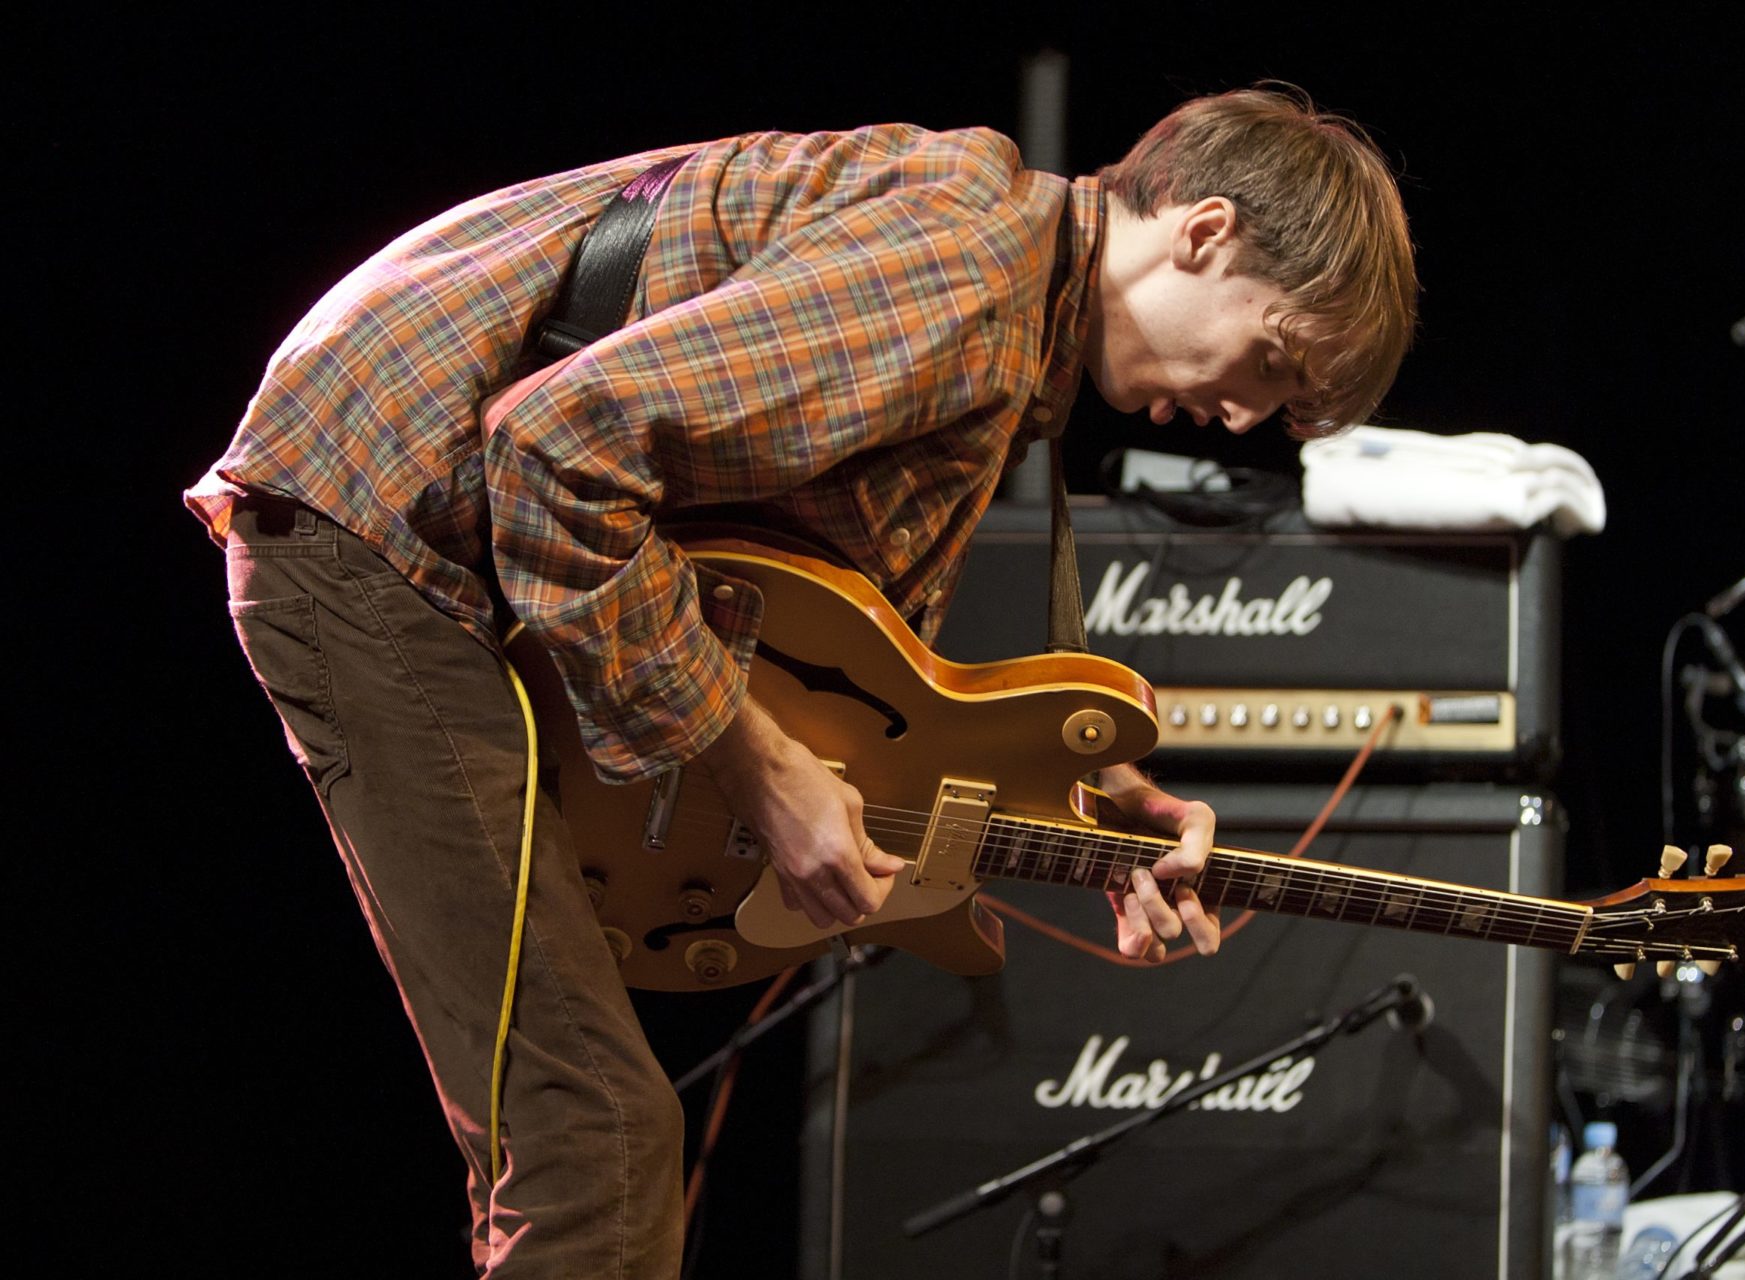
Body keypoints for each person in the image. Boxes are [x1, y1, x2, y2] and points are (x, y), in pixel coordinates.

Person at [187, 84, 1417, 1277]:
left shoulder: (1008, 297)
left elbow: (809, 622)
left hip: (409, 529)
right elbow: (556, 450)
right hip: (381, 530)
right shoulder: (968, 273)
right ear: (1206, 233)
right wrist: (767, 772)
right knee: (595, 1139)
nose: (1251, 418)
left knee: (584, 1133)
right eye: (1272, 361)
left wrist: (1092, 812)